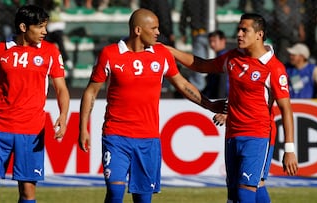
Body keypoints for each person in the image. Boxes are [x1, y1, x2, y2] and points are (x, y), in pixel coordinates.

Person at [78, 8, 226, 203]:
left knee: (143, 199)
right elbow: (91, 91)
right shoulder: (110, 53)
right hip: (116, 136)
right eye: (154, 28)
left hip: (148, 140)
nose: (158, 32)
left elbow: (182, 84)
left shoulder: (161, 54)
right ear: (138, 30)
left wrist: (209, 105)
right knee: (115, 193)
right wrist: (83, 128)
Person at [166, 13, 298, 203]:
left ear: (259, 34)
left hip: (258, 136)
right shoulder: (233, 58)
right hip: (233, 134)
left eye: (245, 30)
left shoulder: (273, 68)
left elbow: (286, 109)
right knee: (238, 193)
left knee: (245, 192)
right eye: (238, 29)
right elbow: (203, 65)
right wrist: (171, 51)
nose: (239, 34)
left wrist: (289, 149)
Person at [0, 5, 70, 203]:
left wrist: (63, 115)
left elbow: (61, 89)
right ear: (24, 27)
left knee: (27, 192)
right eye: (40, 27)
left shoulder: (50, 51)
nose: (45, 32)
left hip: (31, 132)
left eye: (45, 27)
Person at [178, 0, 210, 92]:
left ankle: (199, 88)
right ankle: (200, 88)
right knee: (202, 63)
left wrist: (183, 32)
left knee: (199, 63)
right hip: (205, 32)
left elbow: (183, 17)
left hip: (200, 33)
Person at [203, 30, 228, 99]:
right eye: (210, 41)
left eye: (214, 41)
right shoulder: (218, 59)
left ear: (223, 41)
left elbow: (223, 81)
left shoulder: (224, 59)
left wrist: (220, 98)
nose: (212, 44)